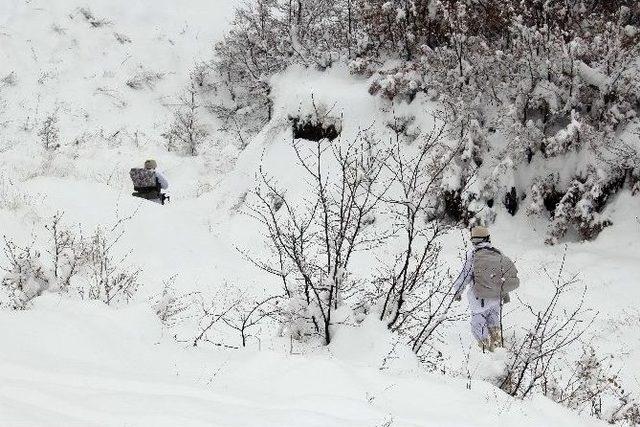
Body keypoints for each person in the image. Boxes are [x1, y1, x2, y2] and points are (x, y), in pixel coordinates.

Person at [453, 226, 518, 352]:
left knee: (478, 325)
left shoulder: (473, 255)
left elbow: (465, 275)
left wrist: (458, 291)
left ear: (473, 240)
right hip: (495, 298)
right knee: (494, 322)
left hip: (479, 300)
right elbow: (502, 275)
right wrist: (505, 294)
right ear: (488, 238)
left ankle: (484, 349)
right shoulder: (498, 252)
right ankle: (498, 346)